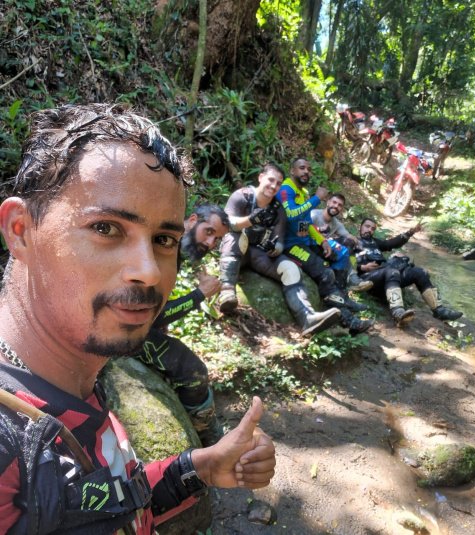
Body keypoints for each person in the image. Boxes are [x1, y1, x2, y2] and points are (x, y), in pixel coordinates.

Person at [0, 103, 275, 533]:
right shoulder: (8, 443)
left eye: (164, 239)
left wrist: (199, 467)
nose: (149, 272)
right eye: (106, 228)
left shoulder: (72, 375)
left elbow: (104, 499)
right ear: (21, 230)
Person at [139, 205, 229, 447]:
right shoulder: (157, 249)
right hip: (125, 330)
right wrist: (198, 295)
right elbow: (151, 317)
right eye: (208, 232)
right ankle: (208, 436)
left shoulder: (173, 247)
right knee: (193, 371)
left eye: (217, 239)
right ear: (192, 220)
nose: (210, 243)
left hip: (139, 323)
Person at [217, 162, 341, 336]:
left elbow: (280, 240)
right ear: (261, 177)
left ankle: (307, 317)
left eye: (278, 183)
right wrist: (250, 220)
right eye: (271, 180)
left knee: (290, 268)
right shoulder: (242, 196)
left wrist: (275, 247)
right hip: (237, 249)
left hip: (260, 254)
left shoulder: (278, 209)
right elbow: (226, 224)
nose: (273, 186)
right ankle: (227, 291)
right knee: (235, 237)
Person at [276, 158, 373, 334]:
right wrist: (316, 198)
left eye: (309, 169)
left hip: (307, 242)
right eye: (302, 168)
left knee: (339, 254)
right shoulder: (286, 189)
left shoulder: (302, 192)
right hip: (291, 246)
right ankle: (348, 320)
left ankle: (343, 298)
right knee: (325, 272)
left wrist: (323, 241)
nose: (306, 171)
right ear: (292, 170)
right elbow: (291, 214)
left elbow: (306, 223)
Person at [355, 217, 463, 325]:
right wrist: (362, 267)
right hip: (367, 279)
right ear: (360, 227)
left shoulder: (374, 242)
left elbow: (391, 243)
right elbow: (347, 264)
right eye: (367, 226)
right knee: (391, 271)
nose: (369, 230)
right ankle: (398, 312)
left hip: (387, 277)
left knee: (420, 272)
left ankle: (439, 310)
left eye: (373, 228)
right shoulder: (352, 242)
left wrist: (411, 232)